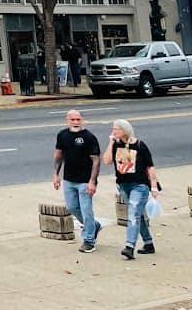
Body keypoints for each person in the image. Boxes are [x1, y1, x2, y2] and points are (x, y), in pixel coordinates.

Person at [104, 118, 161, 260]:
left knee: (132, 214)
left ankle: (129, 246)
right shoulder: (116, 145)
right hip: (123, 184)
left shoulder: (140, 145)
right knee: (137, 215)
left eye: (116, 129)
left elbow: (150, 167)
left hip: (139, 185)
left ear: (124, 130)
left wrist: (153, 187)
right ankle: (148, 243)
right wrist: (111, 142)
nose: (113, 131)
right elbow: (107, 160)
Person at [52, 109, 101, 252]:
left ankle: (89, 240)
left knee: (87, 210)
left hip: (85, 181)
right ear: (67, 120)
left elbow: (96, 161)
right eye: (72, 119)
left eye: (78, 119)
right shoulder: (62, 135)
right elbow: (58, 155)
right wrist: (56, 174)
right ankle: (93, 226)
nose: (75, 122)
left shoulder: (89, 137)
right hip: (69, 179)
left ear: (82, 120)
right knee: (72, 207)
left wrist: (93, 181)